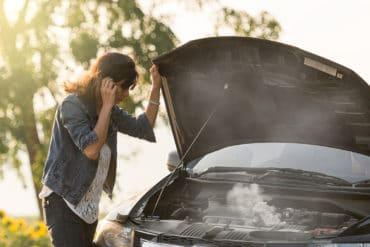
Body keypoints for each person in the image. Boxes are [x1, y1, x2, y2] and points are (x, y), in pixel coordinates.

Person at [39, 52, 161, 247]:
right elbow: (91, 149)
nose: (126, 94)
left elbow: (143, 128)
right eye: (123, 87)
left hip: (88, 209)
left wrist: (156, 86)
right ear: (107, 83)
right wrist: (106, 107)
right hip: (64, 203)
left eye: (129, 88)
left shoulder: (109, 110)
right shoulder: (72, 105)